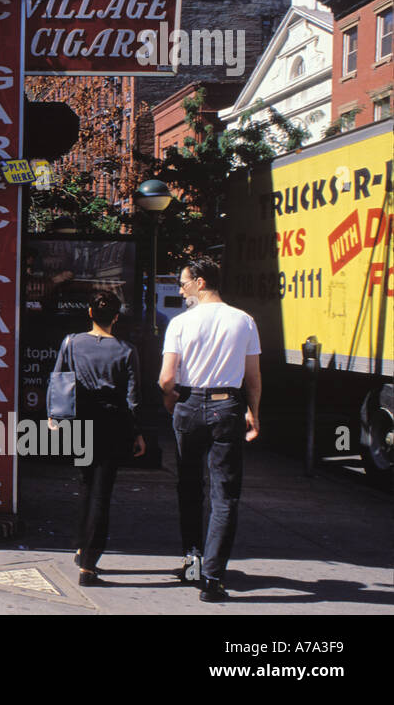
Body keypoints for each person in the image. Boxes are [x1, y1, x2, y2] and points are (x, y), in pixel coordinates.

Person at [159, 256, 262, 603]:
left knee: (188, 486)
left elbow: (166, 378)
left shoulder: (181, 323)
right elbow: (253, 378)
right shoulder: (244, 321)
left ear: (200, 282)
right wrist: (253, 412)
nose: (181, 289)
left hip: (188, 405)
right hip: (227, 407)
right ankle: (214, 578)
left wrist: (171, 401)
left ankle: (192, 563)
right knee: (225, 494)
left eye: (184, 282)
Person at [53, 289, 145, 586]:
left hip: (82, 421)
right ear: (116, 318)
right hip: (114, 424)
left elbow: (59, 379)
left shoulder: (71, 342)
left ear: (90, 313)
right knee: (102, 493)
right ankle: (89, 564)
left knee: (86, 485)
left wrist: (55, 418)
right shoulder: (127, 350)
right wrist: (137, 433)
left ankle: (82, 548)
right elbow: (133, 399)